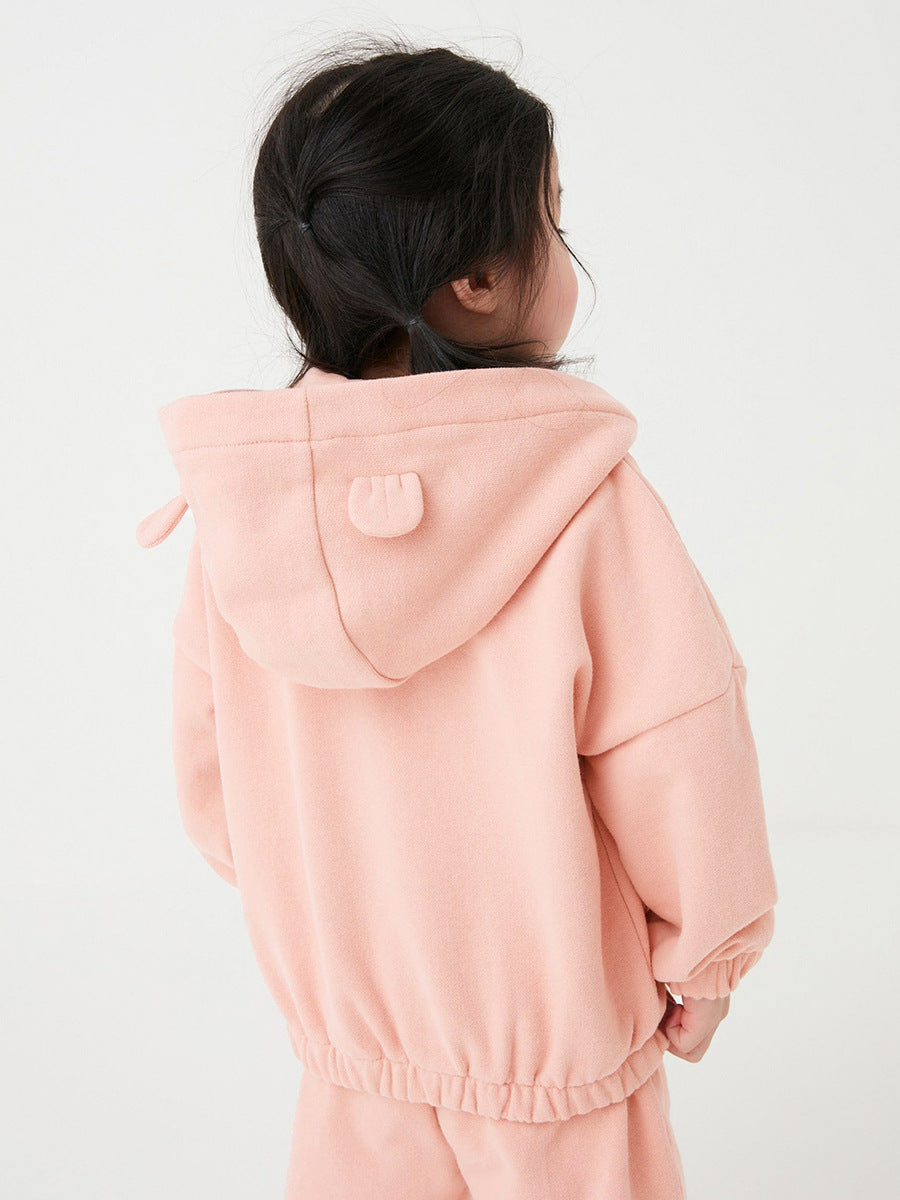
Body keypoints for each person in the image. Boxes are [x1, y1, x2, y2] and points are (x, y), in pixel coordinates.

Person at [136, 35, 778, 1200]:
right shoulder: (583, 503)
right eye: (553, 221)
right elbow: (678, 747)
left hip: (351, 1057)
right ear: (475, 280)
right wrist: (705, 953)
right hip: (562, 1066)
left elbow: (215, 782)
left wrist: (344, 902)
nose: (565, 251)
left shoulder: (251, 514)